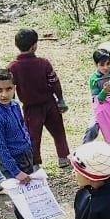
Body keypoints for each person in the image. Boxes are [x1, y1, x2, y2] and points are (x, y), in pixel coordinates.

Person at [0, 69, 52, 219]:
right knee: (29, 200)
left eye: (8, 89)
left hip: (25, 155)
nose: (4, 94)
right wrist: (16, 172)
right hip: (12, 162)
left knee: (22, 198)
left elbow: (22, 127)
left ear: (14, 88)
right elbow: (0, 149)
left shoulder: (14, 105)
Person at [7, 28, 71, 168]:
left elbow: (10, 88)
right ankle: (63, 157)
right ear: (34, 46)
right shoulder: (43, 63)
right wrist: (60, 99)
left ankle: (35, 164)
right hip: (49, 103)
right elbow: (54, 82)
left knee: (33, 137)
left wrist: (11, 105)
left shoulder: (13, 67)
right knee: (58, 131)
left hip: (30, 108)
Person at [82, 49, 110, 166]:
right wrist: (104, 91)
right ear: (96, 65)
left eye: (108, 63)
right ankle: (83, 151)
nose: (106, 67)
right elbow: (98, 99)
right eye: (102, 65)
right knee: (92, 128)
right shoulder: (94, 79)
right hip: (102, 111)